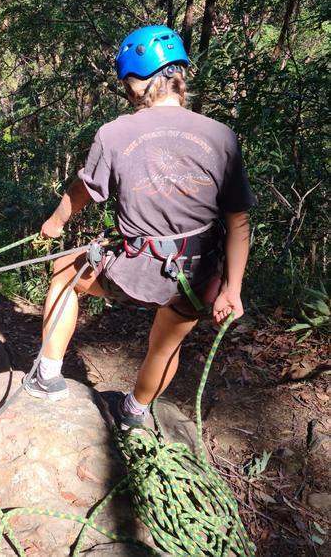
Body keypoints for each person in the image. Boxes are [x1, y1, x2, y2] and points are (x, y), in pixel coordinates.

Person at [23, 25, 254, 428]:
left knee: (64, 272)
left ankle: (47, 376)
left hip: (137, 269)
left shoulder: (114, 133)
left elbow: (83, 192)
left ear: (135, 83)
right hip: (197, 275)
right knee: (166, 343)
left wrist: (55, 223)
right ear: (179, 76)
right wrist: (231, 290)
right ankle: (135, 410)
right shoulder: (221, 136)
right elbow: (239, 221)